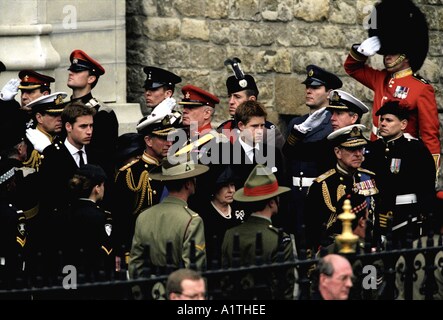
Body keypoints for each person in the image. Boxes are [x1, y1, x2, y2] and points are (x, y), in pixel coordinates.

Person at [343, 0, 440, 182]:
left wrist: (430, 175)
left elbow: (430, 137)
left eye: (393, 52)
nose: (387, 56)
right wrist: (360, 52)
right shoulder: (381, 79)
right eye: (386, 50)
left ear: (406, 54)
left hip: (405, 159)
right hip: (375, 153)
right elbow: (352, 68)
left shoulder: (421, 88)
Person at [112, 107, 182, 260]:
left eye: (171, 138)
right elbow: (121, 218)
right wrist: (123, 251)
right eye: (163, 138)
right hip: (141, 248)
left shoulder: (173, 168)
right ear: (148, 140)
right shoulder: (130, 174)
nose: (169, 143)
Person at [363, 101, 436, 246]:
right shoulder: (374, 149)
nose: (383, 123)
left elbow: (426, 186)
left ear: (403, 125)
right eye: (382, 120)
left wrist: (423, 215)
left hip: (405, 214)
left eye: (389, 120)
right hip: (378, 212)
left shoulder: (415, 149)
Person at [284, 65, 342, 236]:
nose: (309, 91)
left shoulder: (332, 123)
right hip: (295, 196)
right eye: (307, 87)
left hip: (319, 196)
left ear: (329, 93)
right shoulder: (296, 123)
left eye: (315, 87)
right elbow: (288, 158)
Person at [221, 164, 295, 299]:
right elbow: (285, 287)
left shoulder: (230, 234)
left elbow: (224, 280)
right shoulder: (279, 239)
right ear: (272, 203)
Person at [129, 155, 209, 279]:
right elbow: (194, 269)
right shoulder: (192, 220)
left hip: (151, 288)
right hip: (178, 289)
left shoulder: (144, 216)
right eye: (194, 178)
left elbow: (135, 263)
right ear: (188, 183)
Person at [304, 124, 379, 252]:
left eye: (360, 149)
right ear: (338, 152)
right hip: (336, 251)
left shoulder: (369, 177)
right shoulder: (322, 185)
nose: (358, 154)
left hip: (366, 247)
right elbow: (312, 229)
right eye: (352, 150)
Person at [67, 49, 119, 181]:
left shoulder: (102, 113)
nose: (71, 73)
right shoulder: (62, 108)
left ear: (91, 78)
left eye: (77, 71)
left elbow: (104, 158)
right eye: (71, 70)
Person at [217, 57, 285, 151]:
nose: (231, 101)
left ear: (251, 100)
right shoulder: (224, 129)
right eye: (230, 96)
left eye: (237, 97)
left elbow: (282, 162)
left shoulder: (268, 133)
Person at [66, 164, 115, 277]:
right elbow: (106, 252)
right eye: (102, 185)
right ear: (97, 188)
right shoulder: (102, 217)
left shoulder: (64, 212)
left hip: (68, 276)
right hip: (93, 275)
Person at [22, 92, 68, 171]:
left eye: (61, 114)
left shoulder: (64, 139)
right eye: (54, 115)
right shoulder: (27, 143)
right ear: (39, 117)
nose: (60, 119)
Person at [0, 159, 27, 289]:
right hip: (8, 275)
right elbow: (17, 248)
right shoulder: (13, 213)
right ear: (8, 185)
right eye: (13, 181)